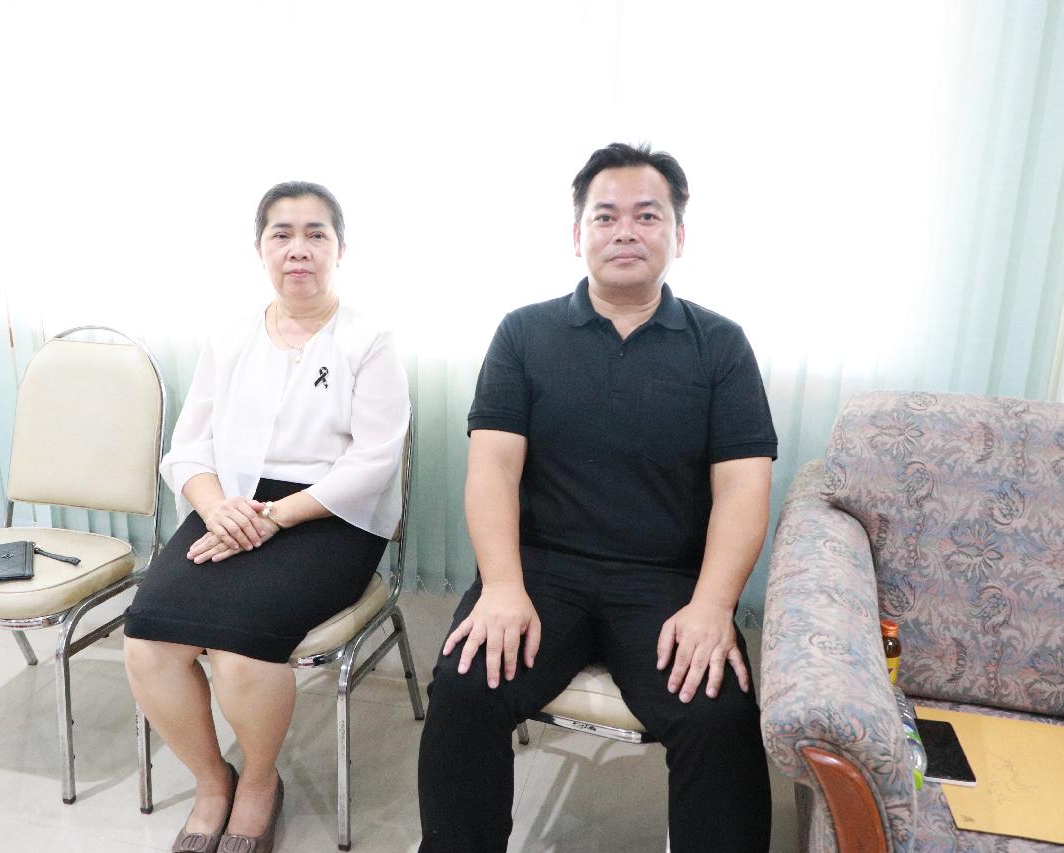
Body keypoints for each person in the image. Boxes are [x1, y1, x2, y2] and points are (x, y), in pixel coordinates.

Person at [416, 143, 776, 852]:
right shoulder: (524, 333)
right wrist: (502, 586)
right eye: (605, 216)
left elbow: (743, 486)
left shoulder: (720, 345)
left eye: (648, 215)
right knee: (465, 689)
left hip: (667, 583)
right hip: (540, 573)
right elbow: (492, 471)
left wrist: (712, 606)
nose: (625, 231)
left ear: (679, 235)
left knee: (717, 714)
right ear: (577, 233)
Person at [123, 181, 409, 853]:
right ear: (260, 249)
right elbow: (188, 447)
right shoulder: (231, 336)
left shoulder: (368, 340)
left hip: (332, 514)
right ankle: (211, 781)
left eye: (316, 234)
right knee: (146, 639)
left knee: (242, 649)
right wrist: (215, 507)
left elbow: (373, 462)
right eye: (282, 234)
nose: (298, 249)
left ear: (340, 249)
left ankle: (258, 782)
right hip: (232, 503)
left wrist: (275, 517)